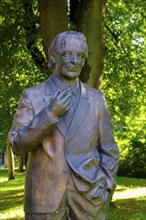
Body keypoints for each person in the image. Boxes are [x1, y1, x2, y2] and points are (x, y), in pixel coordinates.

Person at [9, 31, 119, 220]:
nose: (74, 60)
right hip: (43, 201)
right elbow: (17, 145)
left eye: (80, 55)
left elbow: (109, 151)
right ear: (54, 58)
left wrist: (106, 187)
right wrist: (50, 114)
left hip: (89, 201)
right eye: (67, 53)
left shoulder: (96, 100)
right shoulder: (32, 96)